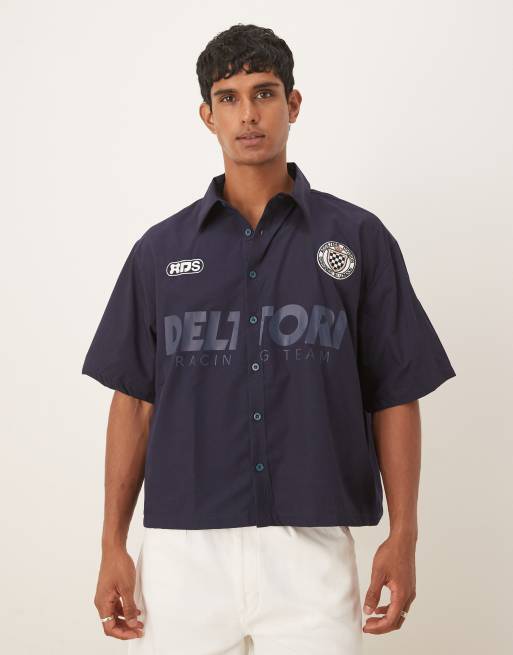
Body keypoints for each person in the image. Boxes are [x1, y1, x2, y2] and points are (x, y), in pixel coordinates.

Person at [82, 23, 456, 655]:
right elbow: (135, 403)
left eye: (264, 93)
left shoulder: (358, 240)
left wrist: (405, 535)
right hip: (182, 556)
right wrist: (111, 545)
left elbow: (394, 393)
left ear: (293, 103)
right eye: (228, 98)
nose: (248, 114)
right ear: (207, 116)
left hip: (312, 551)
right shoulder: (160, 252)